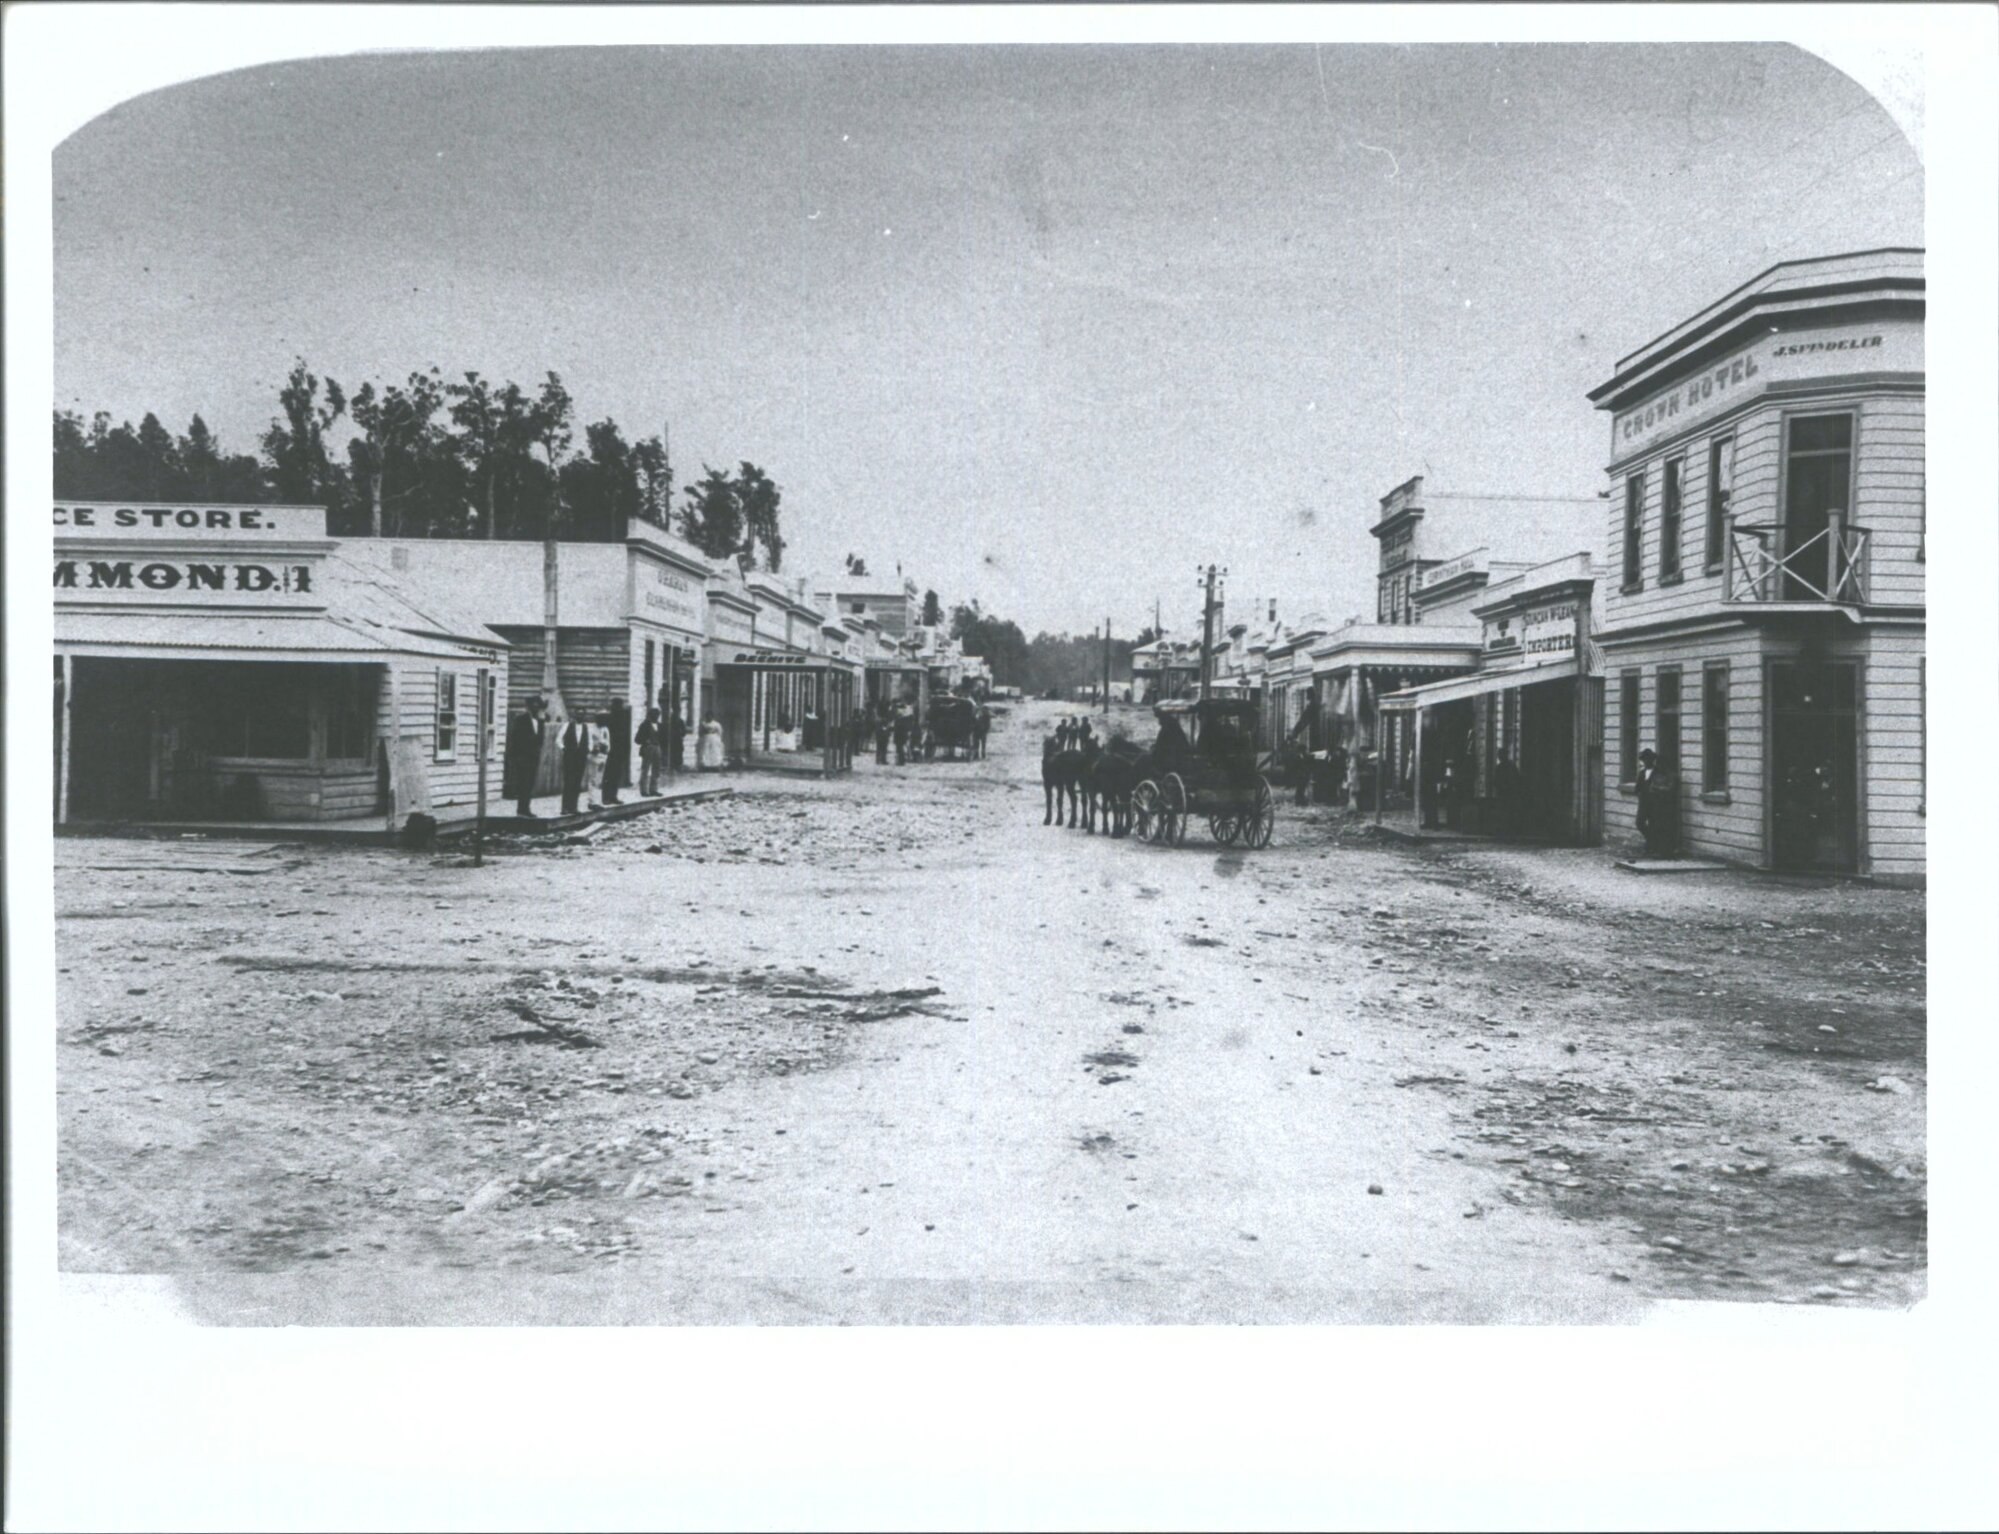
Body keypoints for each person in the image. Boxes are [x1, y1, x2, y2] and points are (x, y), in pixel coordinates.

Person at [503, 694, 547, 818]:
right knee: (523, 784)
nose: (536, 709)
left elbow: (540, 739)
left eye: (538, 707)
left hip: (533, 758)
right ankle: (521, 809)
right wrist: (516, 757)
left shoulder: (539, 721)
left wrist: (542, 722)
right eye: (534, 706)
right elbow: (515, 738)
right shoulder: (521, 720)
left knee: (530, 784)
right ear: (528, 707)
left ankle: (526, 809)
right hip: (522, 757)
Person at [1635, 747, 1678, 857]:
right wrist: (1640, 794)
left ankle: (1654, 846)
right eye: (1644, 759)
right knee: (1639, 823)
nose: (1646, 761)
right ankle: (1651, 841)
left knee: (1654, 825)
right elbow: (1637, 788)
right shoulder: (1642, 773)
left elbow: (1663, 785)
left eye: (1648, 759)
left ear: (1652, 760)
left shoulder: (1659, 772)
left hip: (1655, 804)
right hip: (1643, 803)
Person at [559, 713, 589, 816]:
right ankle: (565, 807)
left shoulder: (586, 727)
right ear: (575, 715)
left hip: (581, 758)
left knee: (577, 782)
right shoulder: (567, 725)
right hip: (570, 757)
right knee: (568, 781)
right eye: (578, 713)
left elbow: (589, 742)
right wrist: (564, 749)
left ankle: (573, 807)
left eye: (582, 713)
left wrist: (587, 750)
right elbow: (558, 739)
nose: (580, 715)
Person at [603, 698, 632, 806]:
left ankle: (613, 796)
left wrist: (625, 751)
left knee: (616, 775)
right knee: (608, 775)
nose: (620, 708)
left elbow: (626, 736)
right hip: (610, 750)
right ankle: (606, 797)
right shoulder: (609, 718)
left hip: (619, 750)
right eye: (618, 706)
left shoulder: (623, 719)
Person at [636, 706, 663, 796]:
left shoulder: (659, 725)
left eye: (657, 715)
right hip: (648, 748)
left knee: (656, 769)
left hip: (657, 747)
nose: (656, 717)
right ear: (650, 715)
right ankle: (644, 790)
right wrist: (645, 741)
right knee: (645, 769)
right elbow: (637, 739)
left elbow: (663, 737)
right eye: (654, 715)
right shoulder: (644, 725)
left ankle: (653, 789)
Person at [666, 706, 689, 773]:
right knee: (671, 752)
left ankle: (678, 766)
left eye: (677, 712)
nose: (676, 713)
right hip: (671, 739)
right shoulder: (669, 721)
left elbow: (684, 732)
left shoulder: (681, 721)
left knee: (679, 752)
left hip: (678, 740)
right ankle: (671, 767)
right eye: (675, 712)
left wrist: (681, 733)